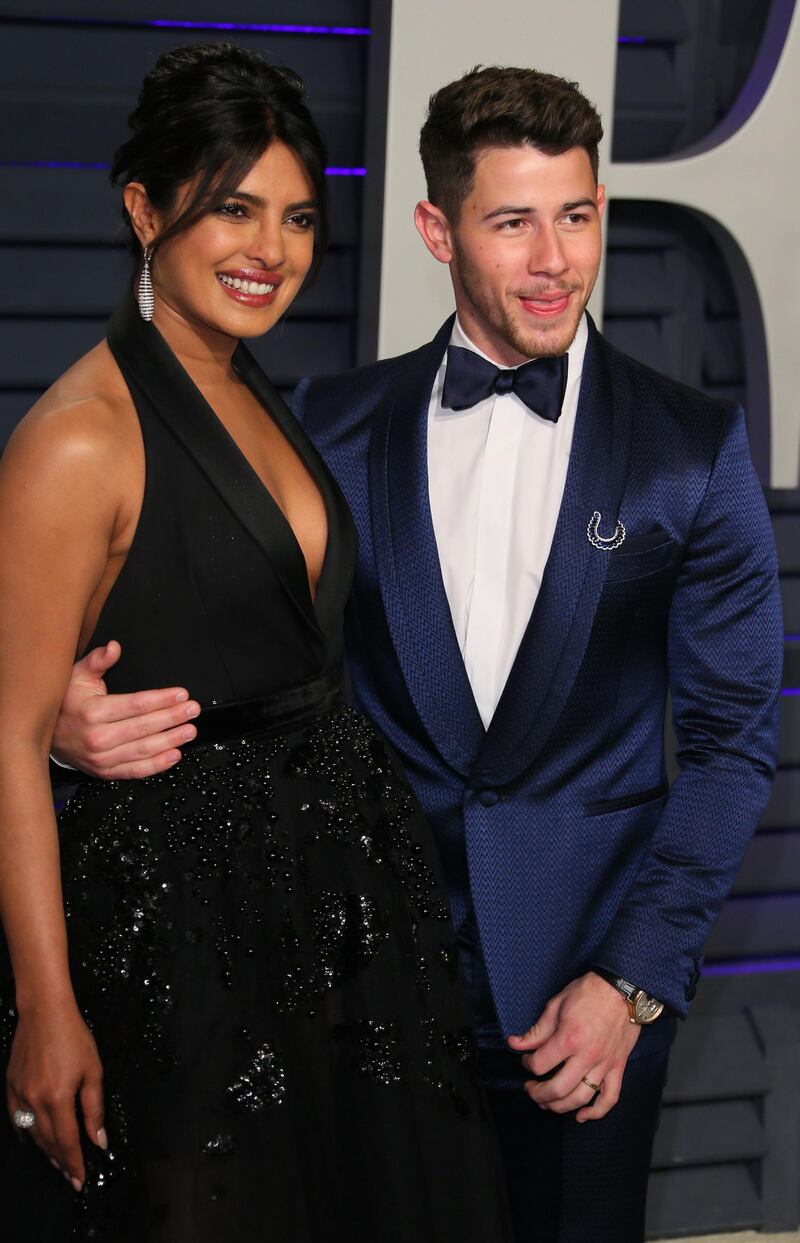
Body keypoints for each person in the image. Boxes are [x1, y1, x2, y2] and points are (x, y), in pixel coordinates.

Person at [52, 65, 783, 1242]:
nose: (553, 260)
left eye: (577, 215)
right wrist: (60, 721)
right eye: (511, 221)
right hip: (352, 995)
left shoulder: (689, 453)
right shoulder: (326, 424)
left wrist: (631, 983)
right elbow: (241, 676)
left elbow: (734, 744)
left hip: (581, 1012)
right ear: (436, 229)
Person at [0, 45, 514, 1243]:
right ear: (144, 209)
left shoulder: (249, 381)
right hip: (179, 928)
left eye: (293, 217)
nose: (268, 250)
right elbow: (9, 743)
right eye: (231, 206)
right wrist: (44, 1007)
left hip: (336, 913)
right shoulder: (79, 440)